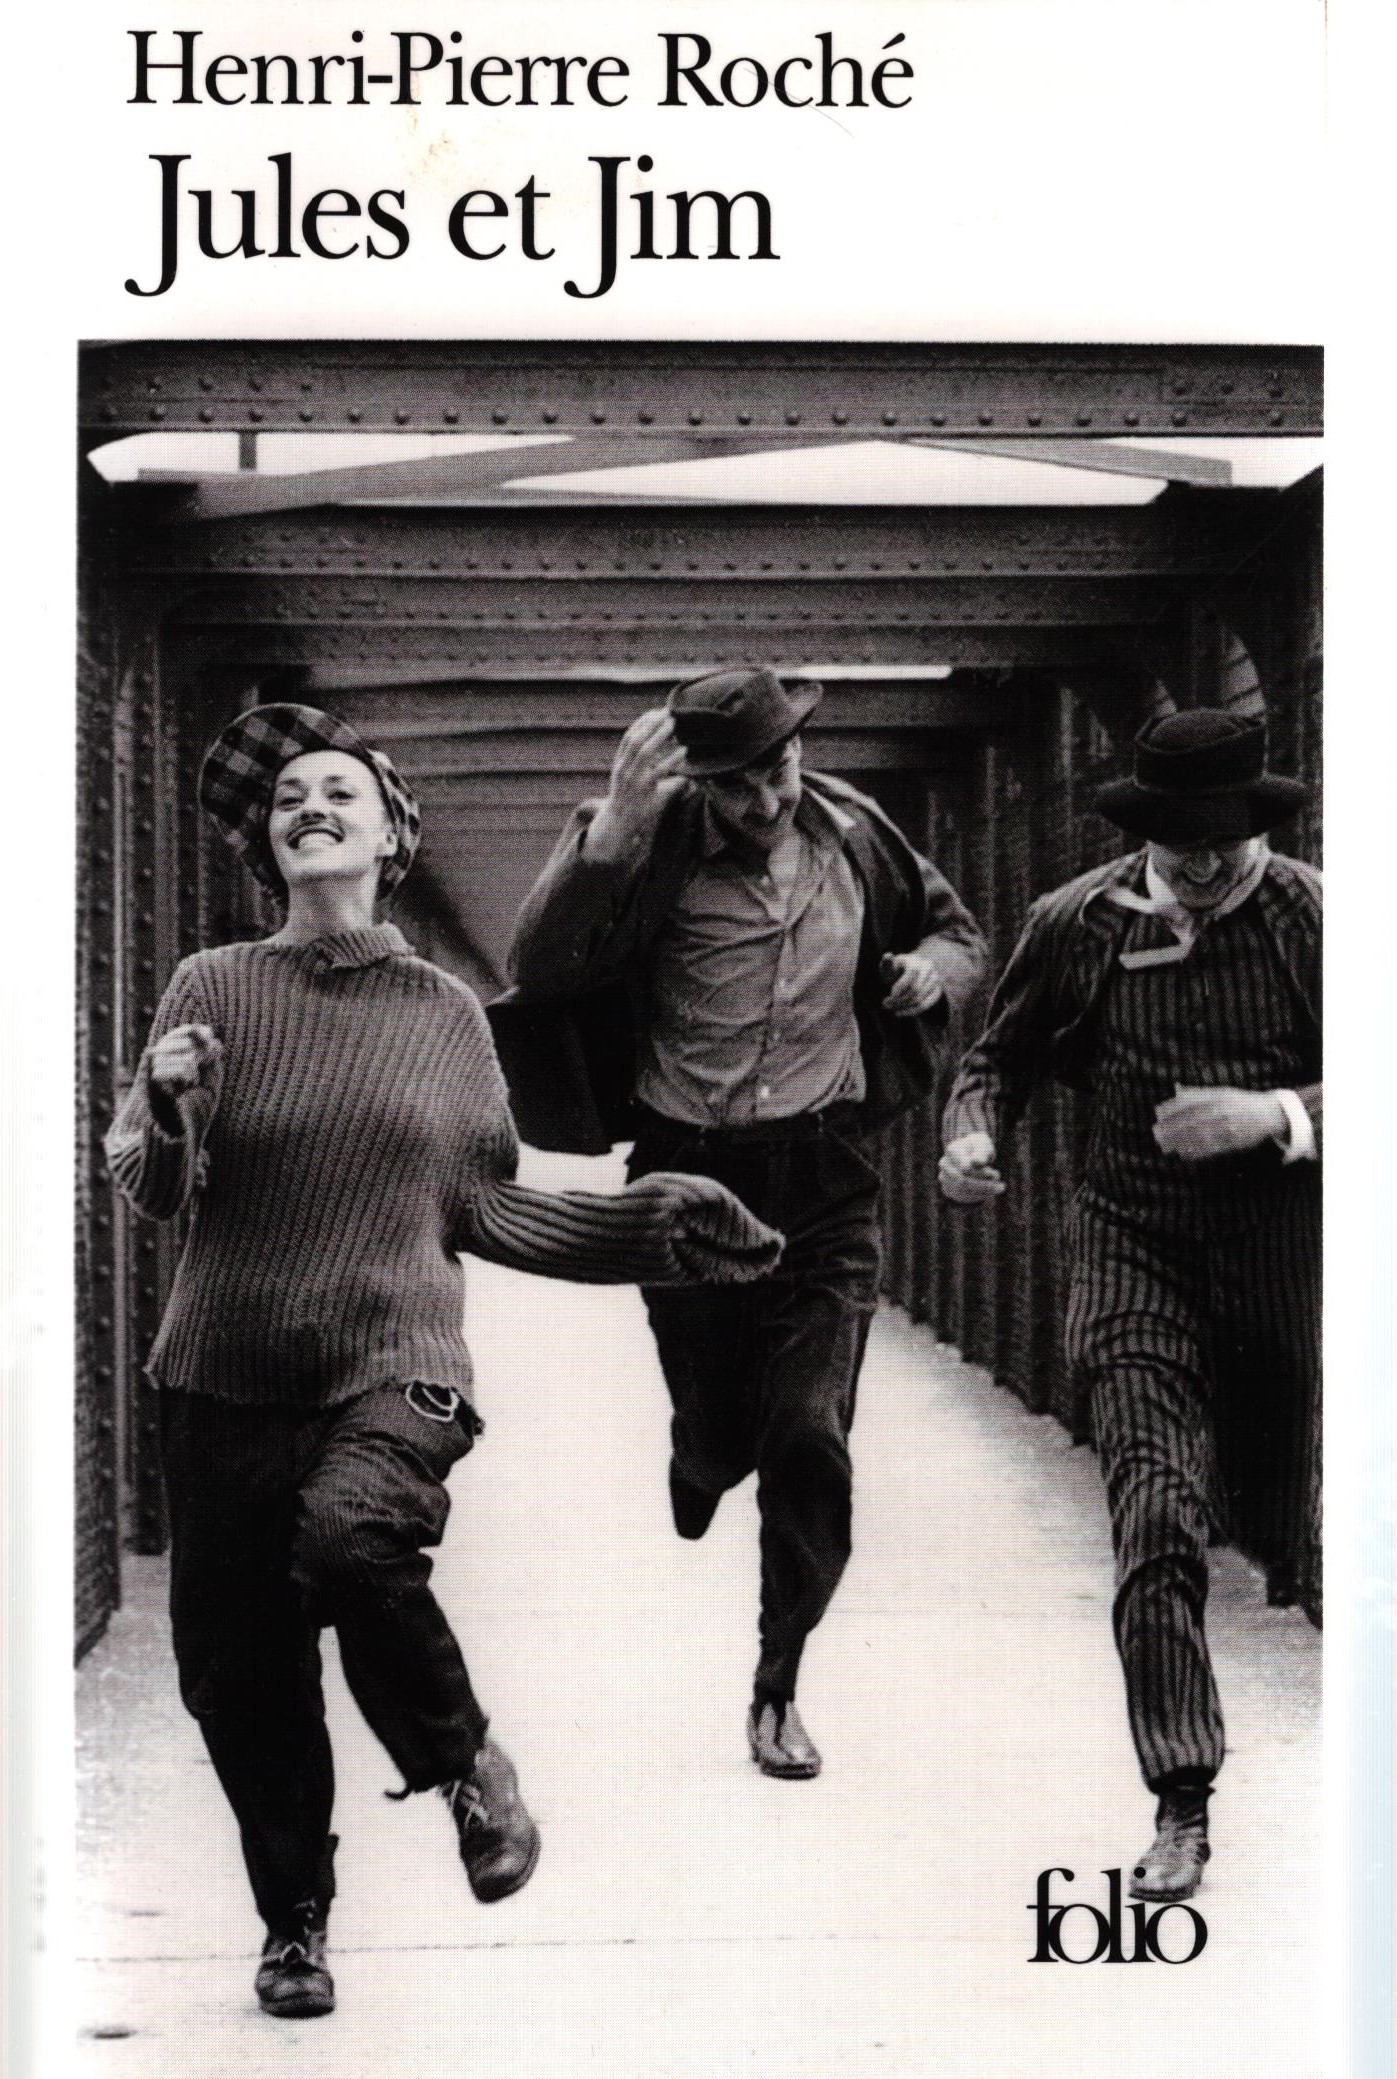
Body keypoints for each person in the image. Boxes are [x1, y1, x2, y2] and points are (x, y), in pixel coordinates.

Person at [104, 703, 782, 2022]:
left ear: (389, 836)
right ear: (268, 842)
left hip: (395, 1357)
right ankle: (295, 1921)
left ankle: (467, 1766)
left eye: (338, 791)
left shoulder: (447, 1014)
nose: (310, 806)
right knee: (239, 1680)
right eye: (289, 797)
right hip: (222, 1373)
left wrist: (647, 1225)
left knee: (353, 1541)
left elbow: (487, 1206)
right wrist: (169, 1106)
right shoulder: (208, 987)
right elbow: (153, 1182)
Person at [495, 669, 986, 1778]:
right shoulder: (641, 840)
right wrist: (608, 840)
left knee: (809, 1431)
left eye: (779, 770)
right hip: (686, 1179)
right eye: (736, 785)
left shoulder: (855, 832)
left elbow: (959, 934)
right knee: (722, 1428)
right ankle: (699, 1451)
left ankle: (777, 1682)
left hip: (824, 1174)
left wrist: (929, 972)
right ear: (698, 782)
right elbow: (537, 969)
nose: (766, 800)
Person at [938, 707, 1320, 1902]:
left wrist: (1274, 1116)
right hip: (1131, 1249)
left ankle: (1277, 1532)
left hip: (1283, 1259)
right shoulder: (1075, 921)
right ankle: (1179, 1797)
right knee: (1153, 1513)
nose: (1202, 870)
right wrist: (967, 1134)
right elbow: (994, 1058)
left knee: (1273, 1519)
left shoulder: (1313, 919)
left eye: (1224, 847)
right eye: (1180, 848)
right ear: (1143, 835)